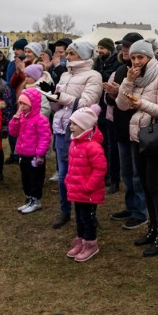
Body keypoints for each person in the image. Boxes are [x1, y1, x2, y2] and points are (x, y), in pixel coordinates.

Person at [116, 39, 158, 257]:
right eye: (132, 57)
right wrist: (128, 82)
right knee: (144, 184)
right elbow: (122, 105)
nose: (136, 61)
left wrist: (141, 104)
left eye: (140, 57)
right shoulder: (135, 77)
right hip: (139, 137)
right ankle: (152, 229)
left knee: (155, 188)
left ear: (149, 57)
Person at [50, 41, 102, 229]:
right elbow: (58, 106)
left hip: (82, 129)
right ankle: (65, 210)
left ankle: (89, 213)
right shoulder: (64, 74)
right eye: (68, 53)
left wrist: (60, 97)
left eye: (72, 53)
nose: (67, 57)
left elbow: (86, 103)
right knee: (65, 174)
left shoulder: (93, 76)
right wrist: (51, 97)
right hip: (62, 127)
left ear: (82, 55)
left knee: (83, 174)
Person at [103, 32, 149, 230]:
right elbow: (110, 102)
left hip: (139, 128)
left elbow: (142, 101)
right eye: (123, 46)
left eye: (128, 47)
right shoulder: (121, 69)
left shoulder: (148, 72)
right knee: (126, 172)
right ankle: (131, 207)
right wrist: (112, 94)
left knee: (138, 174)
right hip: (121, 127)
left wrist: (121, 94)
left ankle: (141, 212)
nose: (124, 50)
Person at [64, 104, 106, 262]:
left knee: (88, 217)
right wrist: (69, 180)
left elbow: (100, 169)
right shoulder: (75, 143)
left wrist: (89, 186)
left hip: (88, 192)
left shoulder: (93, 147)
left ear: (84, 126)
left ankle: (90, 243)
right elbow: (72, 166)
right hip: (77, 190)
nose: (71, 127)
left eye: (74, 124)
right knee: (79, 217)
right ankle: (81, 239)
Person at [9, 88, 52, 215]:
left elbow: (45, 138)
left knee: (36, 179)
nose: (21, 106)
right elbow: (13, 133)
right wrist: (15, 121)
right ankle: (29, 198)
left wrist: (40, 155)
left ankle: (36, 200)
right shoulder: (22, 117)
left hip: (35, 156)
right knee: (25, 178)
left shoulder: (40, 119)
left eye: (24, 104)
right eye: (20, 103)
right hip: (23, 153)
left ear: (33, 104)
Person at [93, 37, 122, 194]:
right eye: (98, 48)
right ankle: (107, 174)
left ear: (109, 49)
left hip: (112, 109)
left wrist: (99, 74)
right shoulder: (98, 61)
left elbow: (105, 79)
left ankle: (113, 176)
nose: (100, 51)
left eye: (102, 48)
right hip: (101, 106)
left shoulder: (117, 64)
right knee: (103, 143)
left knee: (112, 146)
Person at [4, 38, 28, 164]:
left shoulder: (28, 63)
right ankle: (13, 152)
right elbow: (10, 82)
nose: (15, 51)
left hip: (23, 99)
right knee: (12, 126)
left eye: (18, 49)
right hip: (12, 98)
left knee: (23, 127)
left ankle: (22, 152)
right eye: (14, 49)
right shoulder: (11, 64)